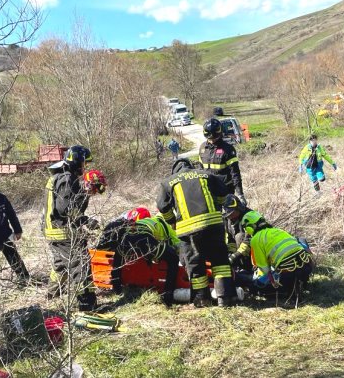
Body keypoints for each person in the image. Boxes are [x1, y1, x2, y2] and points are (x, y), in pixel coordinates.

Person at [156, 159, 236, 307]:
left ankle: (202, 299)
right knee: (220, 261)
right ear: (191, 167)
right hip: (214, 224)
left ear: (175, 171)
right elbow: (224, 195)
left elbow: (163, 207)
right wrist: (216, 207)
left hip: (188, 229)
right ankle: (225, 298)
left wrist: (172, 222)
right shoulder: (206, 175)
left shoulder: (168, 182)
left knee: (195, 263)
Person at [42, 145, 100, 311]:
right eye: (83, 164)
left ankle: (50, 297)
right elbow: (65, 208)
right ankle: (87, 305)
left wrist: (84, 194)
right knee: (80, 264)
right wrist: (84, 221)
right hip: (63, 232)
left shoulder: (61, 177)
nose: (84, 168)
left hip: (55, 230)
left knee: (60, 266)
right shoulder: (67, 178)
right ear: (76, 162)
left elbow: (67, 204)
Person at [95, 207, 180, 306]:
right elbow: (173, 245)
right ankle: (168, 295)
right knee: (173, 258)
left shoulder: (145, 221)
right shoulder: (165, 224)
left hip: (128, 237)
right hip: (144, 238)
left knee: (117, 263)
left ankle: (117, 290)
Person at [240, 210, 313, 299]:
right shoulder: (278, 230)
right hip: (307, 265)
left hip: (288, 272)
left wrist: (272, 281)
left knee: (258, 287)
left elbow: (264, 268)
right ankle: (300, 285)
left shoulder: (255, 239)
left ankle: (291, 294)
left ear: (249, 227)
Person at [199, 117, 246, 205]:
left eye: (215, 138)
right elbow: (200, 170)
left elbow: (235, 174)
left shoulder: (228, 149)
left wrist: (240, 194)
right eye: (210, 138)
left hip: (225, 192)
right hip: (209, 192)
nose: (212, 141)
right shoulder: (202, 148)